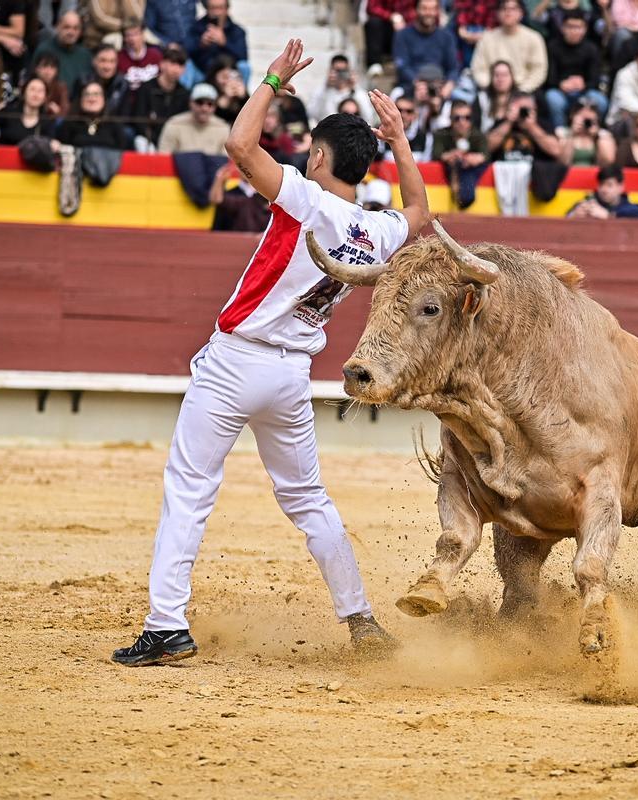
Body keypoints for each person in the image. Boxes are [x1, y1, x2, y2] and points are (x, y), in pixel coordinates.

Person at [111, 39, 432, 666]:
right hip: (292, 375)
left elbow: (238, 146)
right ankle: (360, 619)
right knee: (308, 499)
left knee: (190, 488)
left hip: (236, 363)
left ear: (317, 156)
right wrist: (399, 139)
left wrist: (271, 80)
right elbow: (419, 209)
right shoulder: (376, 228)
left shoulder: (304, 198)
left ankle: (166, 623)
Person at [544, 11, 607, 130]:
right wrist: (561, 84)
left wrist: (583, 84)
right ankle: (561, 133)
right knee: (552, 98)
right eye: (570, 26)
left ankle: (593, 132)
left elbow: (595, 79)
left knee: (600, 101)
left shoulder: (591, 48)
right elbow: (549, 77)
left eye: (578, 27)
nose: (574, 31)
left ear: (585, 29)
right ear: (562, 28)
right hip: (560, 90)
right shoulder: (552, 46)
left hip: (585, 91)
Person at [470, 0, 548, 94]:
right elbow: (478, 69)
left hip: (524, 90)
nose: (508, 13)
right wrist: (492, 86)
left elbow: (538, 70)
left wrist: (523, 90)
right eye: (503, 9)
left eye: (513, 9)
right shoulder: (486, 38)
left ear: (521, 13)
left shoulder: (534, 38)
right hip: (492, 91)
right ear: (497, 13)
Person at [432, 98, 489, 208]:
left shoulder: (479, 136)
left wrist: (473, 158)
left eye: (467, 118)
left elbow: (486, 155)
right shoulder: (441, 134)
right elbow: (436, 154)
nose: (462, 122)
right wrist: (451, 155)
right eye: (457, 118)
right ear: (450, 119)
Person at [393, 0, 457, 95]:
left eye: (432, 9)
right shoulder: (402, 35)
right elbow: (401, 65)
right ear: (416, 10)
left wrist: (449, 84)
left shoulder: (447, 37)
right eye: (424, 8)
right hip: (409, 87)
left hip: (439, 86)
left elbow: (453, 67)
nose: (429, 13)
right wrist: (417, 83)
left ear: (437, 11)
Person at [132, 43, 191, 147]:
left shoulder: (184, 93)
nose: (176, 69)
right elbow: (139, 120)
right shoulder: (146, 88)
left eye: (181, 65)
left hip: (173, 143)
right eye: (173, 63)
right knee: (140, 141)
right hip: (148, 140)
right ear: (162, 64)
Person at [55, 80, 132, 148]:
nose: (91, 99)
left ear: (104, 99)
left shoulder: (114, 124)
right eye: (87, 94)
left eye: (96, 94)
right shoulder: (69, 123)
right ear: (80, 99)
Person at [30, 11, 92, 94]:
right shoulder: (44, 49)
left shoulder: (85, 55)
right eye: (66, 27)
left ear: (80, 31)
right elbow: (33, 81)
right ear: (57, 27)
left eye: (75, 28)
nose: (71, 32)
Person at [158, 82, 229, 154]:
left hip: (215, 165)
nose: (204, 108)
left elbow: (227, 161)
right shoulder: (174, 124)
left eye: (210, 104)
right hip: (180, 165)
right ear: (190, 103)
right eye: (199, 102)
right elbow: (163, 157)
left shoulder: (223, 128)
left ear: (215, 106)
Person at [309, 54, 376, 126]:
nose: (341, 74)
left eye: (344, 71)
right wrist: (326, 86)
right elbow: (312, 115)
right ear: (330, 71)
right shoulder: (322, 91)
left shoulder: (358, 93)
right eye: (337, 71)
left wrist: (355, 87)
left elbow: (369, 118)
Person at [188, 0, 247, 80]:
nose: (216, 13)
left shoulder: (237, 31)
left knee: (244, 66)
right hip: (203, 73)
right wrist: (201, 44)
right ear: (207, 9)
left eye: (220, 8)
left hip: (229, 74)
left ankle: (241, 91)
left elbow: (243, 56)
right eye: (213, 8)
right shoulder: (197, 28)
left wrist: (224, 43)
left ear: (226, 9)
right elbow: (186, 53)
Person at [0, 75, 56, 144]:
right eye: (32, 89)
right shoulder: (9, 112)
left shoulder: (47, 121)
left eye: (40, 91)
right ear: (24, 93)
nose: (36, 94)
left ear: (45, 97)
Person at [208, 160, 271, 232]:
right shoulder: (232, 194)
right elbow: (216, 199)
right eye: (243, 167)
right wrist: (219, 179)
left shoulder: (265, 193)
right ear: (238, 169)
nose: (247, 170)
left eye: (251, 167)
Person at [566, 164, 638, 219]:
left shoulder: (627, 206)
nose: (604, 190)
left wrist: (609, 215)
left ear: (621, 187)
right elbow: (566, 219)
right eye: (601, 185)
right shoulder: (589, 203)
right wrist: (574, 215)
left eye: (609, 185)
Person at [73, 44, 131, 119]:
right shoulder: (82, 81)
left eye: (112, 61)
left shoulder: (123, 84)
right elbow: (75, 112)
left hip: (113, 126)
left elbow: (124, 116)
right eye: (103, 61)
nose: (107, 66)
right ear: (94, 61)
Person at [558, 100, 615, 166]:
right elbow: (563, 162)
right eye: (581, 114)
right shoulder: (562, 133)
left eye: (591, 112)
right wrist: (572, 135)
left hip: (593, 174)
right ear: (572, 115)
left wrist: (596, 138)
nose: (586, 119)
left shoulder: (603, 135)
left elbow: (607, 163)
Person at [363, 0, 416, 72]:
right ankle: (374, 64)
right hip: (386, 29)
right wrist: (391, 17)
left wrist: (405, 22)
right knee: (374, 23)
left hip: (407, 27)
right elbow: (371, 8)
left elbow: (418, 9)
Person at [118, 18, 162, 92]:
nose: (132, 39)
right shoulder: (119, 58)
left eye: (136, 34)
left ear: (143, 35)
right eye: (128, 35)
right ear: (124, 38)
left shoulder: (156, 55)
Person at [30, 51, 70, 117]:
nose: (48, 72)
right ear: (36, 69)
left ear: (57, 71)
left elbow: (65, 113)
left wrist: (58, 112)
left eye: (52, 67)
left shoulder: (61, 87)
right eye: (44, 66)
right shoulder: (30, 85)